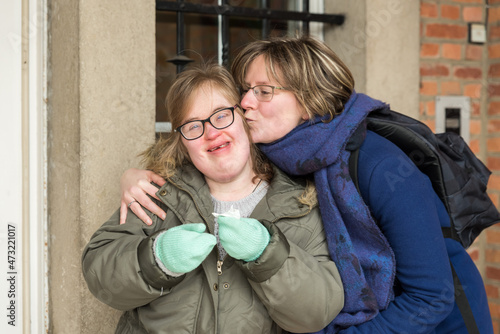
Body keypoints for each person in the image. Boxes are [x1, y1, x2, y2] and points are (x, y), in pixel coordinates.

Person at [119, 35, 493, 333]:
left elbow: (430, 298)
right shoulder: (282, 153)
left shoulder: (381, 167)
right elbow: (198, 148)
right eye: (245, 89)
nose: (245, 102)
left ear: (309, 100)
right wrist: (133, 177)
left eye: (264, 91)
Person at [82, 63, 344, 334]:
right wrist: (157, 259)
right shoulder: (158, 194)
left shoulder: (301, 203)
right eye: (193, 126)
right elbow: (99, 276)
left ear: (244, 116)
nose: (211, 133)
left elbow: (316, 313)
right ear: (182, 141)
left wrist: (268, 255)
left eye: (221, 116)